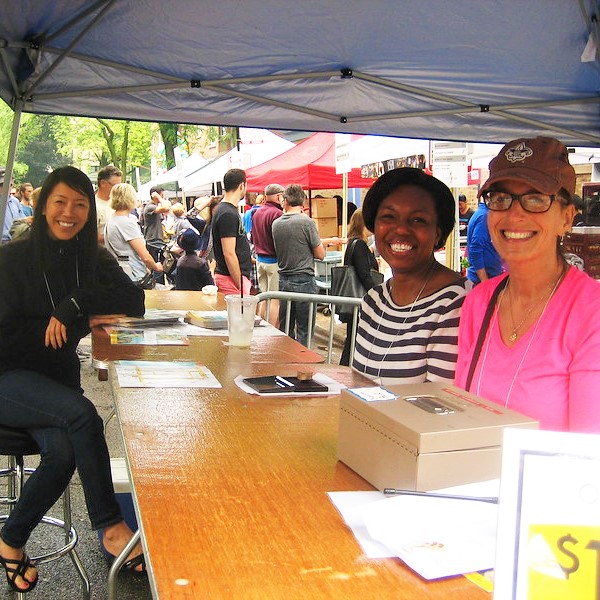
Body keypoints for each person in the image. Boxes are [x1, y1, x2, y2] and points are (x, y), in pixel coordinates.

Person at [0, 166, 146, 593]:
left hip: (55, 386)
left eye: (80, 204)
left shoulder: (91, 257)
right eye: (60, 202)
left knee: (63, 451)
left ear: (89, 209)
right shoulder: (12, 258)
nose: (70, 212)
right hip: (7, 376)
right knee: (84, 416)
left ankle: (10, 540)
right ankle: (111, 525)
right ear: (44, 205)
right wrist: (67, 321)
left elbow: (133, 299)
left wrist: (74, 304)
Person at [455, 136, 600, 433]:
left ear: (566, 218)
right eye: (500, 198)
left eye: (536, 198)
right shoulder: (479, 302)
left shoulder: (591, 312)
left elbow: (588, 451)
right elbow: (462, 412)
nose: (514, 214)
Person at [352, 167, 471, 385]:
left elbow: (439, 406)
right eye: (388, 216)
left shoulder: (457, 304)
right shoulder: (373, 300)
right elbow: (359, 383)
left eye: (418, 220)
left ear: (438, 232)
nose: (401, 230)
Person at [272, 184, 341, 347]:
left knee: (286, 327)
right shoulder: (307, 223)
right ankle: (301, 367)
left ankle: (286, 364)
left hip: (284, 279)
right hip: (304, 279)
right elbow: (320, 254)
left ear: (285, 200)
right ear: (302, 201)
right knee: (304, 328)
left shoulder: (276, 224)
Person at [339, 208, 381, 366]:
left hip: (355, 299)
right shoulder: (360, 245)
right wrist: (376, 294)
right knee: (355, 339)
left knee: (352, 338)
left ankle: (345, 369)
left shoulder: (354, 243)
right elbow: (364, 274)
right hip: (360, 298)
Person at [104, 182, 164, 281]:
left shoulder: (112, 220)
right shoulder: (126, 222)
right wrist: (156, 266)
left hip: (120, 274)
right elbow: (145, 256)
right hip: (133, 276)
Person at [211, 169, 253, 295]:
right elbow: (229, 253)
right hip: (231, 279)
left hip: (231, 278)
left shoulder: (226, 210)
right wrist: (240, 285)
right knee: (239, 314)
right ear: (242, 185)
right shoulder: (227, 213)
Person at [251, 184, 284, 322]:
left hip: (260, 259)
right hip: (273, 261)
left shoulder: (257, 212)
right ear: (278, 196)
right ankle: (271, 330)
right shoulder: (277, 214)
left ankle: (260, 324)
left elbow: (252, 237)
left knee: (263, 296)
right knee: (275, 300)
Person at [465, 191, 504, 284]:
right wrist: (485, 282)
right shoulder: (485, 216)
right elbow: (475, 249)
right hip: (481, 280)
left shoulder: (485, 214)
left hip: (489, 277)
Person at [95, 165, 122, 245]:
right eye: (115, 186)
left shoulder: (118, 203)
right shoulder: (93, 206)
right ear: (103, 183)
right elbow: (90, 236)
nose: (118, 189)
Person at [1, 168, 27, 243]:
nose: (7, 187)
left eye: (10, 184)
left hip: (14, 242)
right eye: (2, 185)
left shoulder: (15, 201)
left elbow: (22, 220)